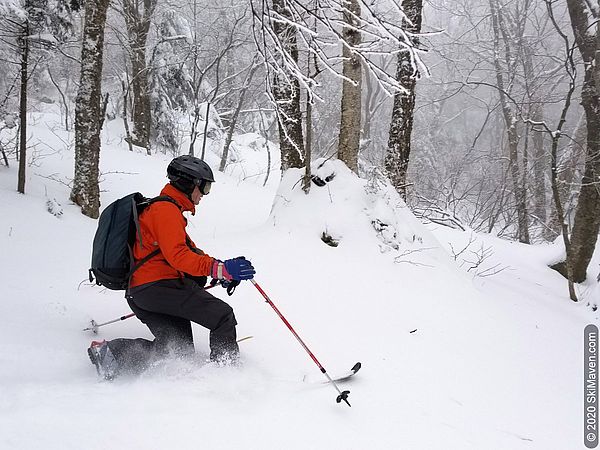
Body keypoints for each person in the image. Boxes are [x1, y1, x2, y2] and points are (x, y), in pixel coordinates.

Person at [87, 155, 255, 380]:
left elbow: (191, 252)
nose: (204, 195)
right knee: (222, 316)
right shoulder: (165, 211)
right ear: (188, 183)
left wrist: (221, 270)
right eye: (204, 187)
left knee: (176, 350)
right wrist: (219, 269)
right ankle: (226, 374)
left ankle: (110, 353)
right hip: (159, 287)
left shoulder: (165, 210)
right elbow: (179, 257)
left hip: (143, 293)